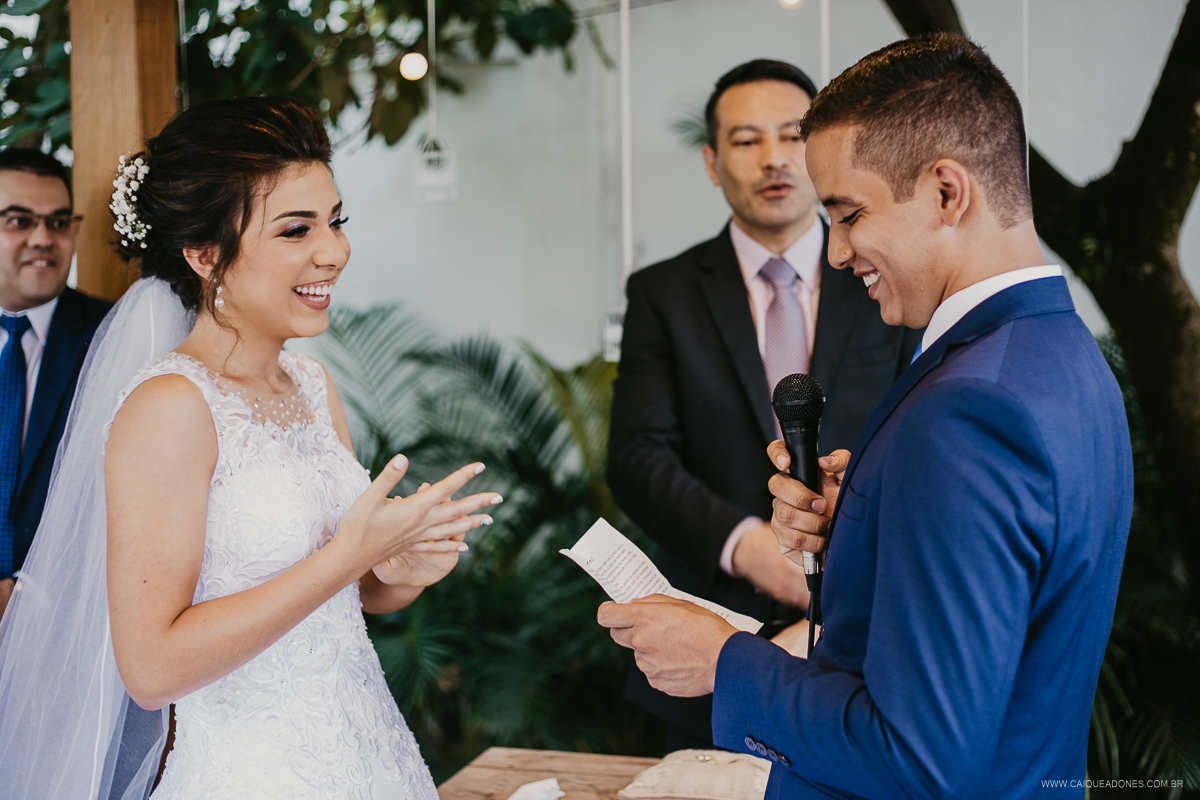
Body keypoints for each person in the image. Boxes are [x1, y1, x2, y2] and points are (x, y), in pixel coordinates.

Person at [599, 34, 1132, 798]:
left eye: (849, 214)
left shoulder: (969, 413)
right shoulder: (1064, 356)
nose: (837, 252)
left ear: (947, 193)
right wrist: (863, 523)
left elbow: (916, 758)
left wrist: (724, 660)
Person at [0, 97, 500, 799]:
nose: (334, 251)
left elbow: (353, 597)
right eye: (296, 229)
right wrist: (346, 556)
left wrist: (403, 568)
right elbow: (152, 669)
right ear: (205, 255)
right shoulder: (170, 407)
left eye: (335, 221)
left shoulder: (312, 383)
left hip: (372, 759)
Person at [606, 59, 920, 749]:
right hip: (702, 645)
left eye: (792, 136)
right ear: (712, 163)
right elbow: (636, 456)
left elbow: (917, 443)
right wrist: (746, 546)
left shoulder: (887, 279)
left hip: (860, 642)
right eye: (747, 141)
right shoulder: (663, 293)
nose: (774, 158)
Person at [0, 148, 110, 621]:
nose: (43, 238)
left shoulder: (114, 337)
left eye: (59, 222)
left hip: (64, 621)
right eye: (19, 221)